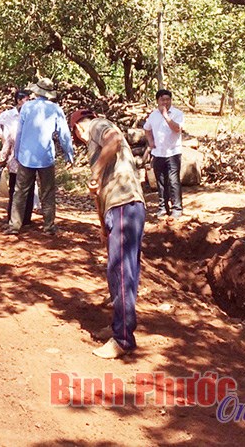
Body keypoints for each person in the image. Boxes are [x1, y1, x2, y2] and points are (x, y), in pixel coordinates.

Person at [70, 109, 146, 359]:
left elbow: (113, 140)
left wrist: (96, 171)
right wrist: (103, 227)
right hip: (121, 207)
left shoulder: (97, 126)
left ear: (78, 128)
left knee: (121, 270)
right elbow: (98, 194)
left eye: (76, 135)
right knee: (121, 271)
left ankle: (123, 338)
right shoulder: (95, 149)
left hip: (123, 202)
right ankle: (119, 326)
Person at [4, 77, 74, 235]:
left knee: (20, 191)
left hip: (26, 156)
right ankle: (48, 226)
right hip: (45, 156)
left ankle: (14, 225)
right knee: (47, 192)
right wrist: (68, 153)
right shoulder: (56, 109)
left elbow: (19, 132)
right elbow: (64, 134)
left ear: (37, 90)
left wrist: (16, 152)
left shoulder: (27, 107)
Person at [143, 89, 185, 219]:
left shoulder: (178, 114)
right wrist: (151, 142)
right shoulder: (153, 115)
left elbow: (177, 128)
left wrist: (166, 116)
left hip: (173, 152)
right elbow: (146, 129)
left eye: (168, 99)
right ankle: (162, 207)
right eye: (162, 100)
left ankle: (176, 208)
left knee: (173, 181)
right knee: (160, 182)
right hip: (158, 153)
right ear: (157, 101)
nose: (165, 102)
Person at [0, 90, 34, 225]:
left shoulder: (15, 127)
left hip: (16, 163)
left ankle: (13, 219)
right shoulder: (33, 126)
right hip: (30, 163)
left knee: (15, 191)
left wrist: (2, 159)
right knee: (29, 190)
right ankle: (26, 219)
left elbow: (8, 144)